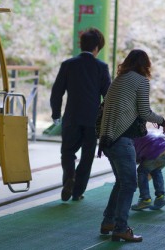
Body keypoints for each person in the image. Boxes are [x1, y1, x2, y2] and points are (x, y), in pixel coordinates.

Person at [98, 49, 165, 243]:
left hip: (107, 139)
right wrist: (161, 120)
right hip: (122, 139)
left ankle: (108, 222)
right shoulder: (141, 81)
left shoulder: (118, 80)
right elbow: (144, 111)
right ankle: (120, 228)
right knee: (129, 183)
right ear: (145, 65)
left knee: (121, 182)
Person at [50, 27, 111, 202]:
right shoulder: (101, 67)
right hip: (93, 119)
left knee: (67, 152)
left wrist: (56, 114)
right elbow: (108, 95)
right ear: (97, 47)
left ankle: (70, 176)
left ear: (81, 45)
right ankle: (77, 192)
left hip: (71, 118)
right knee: (87, 156)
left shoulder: (68, 64)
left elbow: (57, 92)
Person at [131, 131, 165, 211]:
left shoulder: (129, 143)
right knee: (155, 170)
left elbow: (134, 159)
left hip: (156, 151)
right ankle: (161, 197)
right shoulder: (141, 133)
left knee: (142, 171)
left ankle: (145, 199)